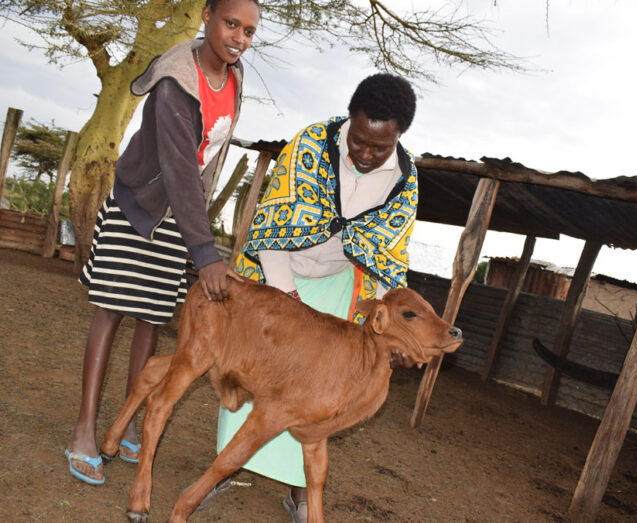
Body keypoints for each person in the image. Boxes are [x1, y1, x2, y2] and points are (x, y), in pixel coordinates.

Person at [64, 0, 260, 485]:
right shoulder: (175, 80)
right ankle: (84, 432)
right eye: (231, 24)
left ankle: (127, 422)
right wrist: (206, 252)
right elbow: (175, 167)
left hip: (179, 219)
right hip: (140, 206)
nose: (239, 37)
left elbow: (204, 166)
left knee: (152, 320)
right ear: (207, 17)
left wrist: (196, 234)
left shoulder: (235, 82)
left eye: (250, 31)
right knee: (111, 312)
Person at [219, 73, 419, 522]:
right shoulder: (311, 143)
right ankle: (225, 470)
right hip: (280, 272)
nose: (365, 154)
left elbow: (389, 257)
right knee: (257, 374)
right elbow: (271, 228)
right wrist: (286, 302)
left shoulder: (405, 180)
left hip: (338, 283)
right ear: (350, 119)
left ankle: (299, 492)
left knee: (321, 391)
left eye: (379, 147)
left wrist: (400, 333)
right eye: (359, 140)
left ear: (399, 137)